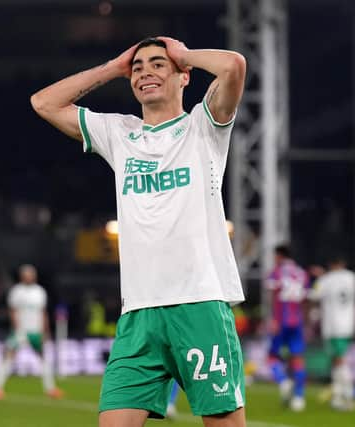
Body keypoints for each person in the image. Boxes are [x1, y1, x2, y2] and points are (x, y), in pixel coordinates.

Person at [31, 36, 247, 427]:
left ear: (184, 77)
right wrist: (113, 66)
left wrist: (181, 55)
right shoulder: (119, 134)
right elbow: (44, 103)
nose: (145, 71)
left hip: (198, 303)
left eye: (157, 64)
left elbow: (234, 66)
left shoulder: (203, 125)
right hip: (138, 315)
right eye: (138, 67)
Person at [0, 264, 63, 400]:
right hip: (21, 331)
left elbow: (43, 312)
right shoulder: (17, 291)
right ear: (22, 276)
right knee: (9, 357)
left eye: (31, 274)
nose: (29, 277)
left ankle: (51, 389)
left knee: (43, 359)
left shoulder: (40, 291)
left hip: (36, 331)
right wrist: (17, 328)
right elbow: (12, 311)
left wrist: (45, 331)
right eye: (27, 274)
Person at [264, 245, 309, 412]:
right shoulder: (302, 273)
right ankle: (299, 398)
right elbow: (305, 299)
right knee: (297, 358)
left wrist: (274, 319)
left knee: (272, 357)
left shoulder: (277, 272)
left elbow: (272, 296)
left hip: (281, 320)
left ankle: (283, 381)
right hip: (296, 321)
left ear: (279, 256)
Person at [309, 256, 355, 411]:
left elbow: (314, 295)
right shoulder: (352, 277)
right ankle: (338, 395)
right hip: (348, 324)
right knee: (338, 360)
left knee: (339, 360)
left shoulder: (326, 280)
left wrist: (319, 278)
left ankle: (348, 396)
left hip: (333, 325)